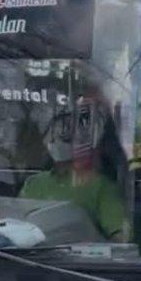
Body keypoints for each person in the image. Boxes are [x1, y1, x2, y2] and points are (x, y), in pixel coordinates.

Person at [20, 95, 127, 239]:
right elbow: (15, 230)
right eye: (51, 132)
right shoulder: (33, 184)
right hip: (27, 259)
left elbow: (120, 237)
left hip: (79, 261)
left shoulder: (101, 187)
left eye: (65, 132)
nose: (55, 139)